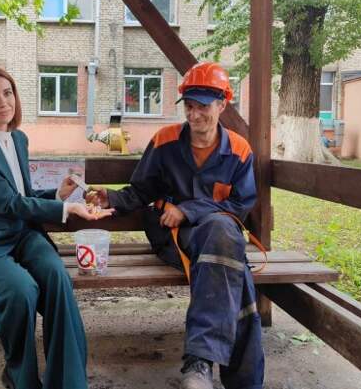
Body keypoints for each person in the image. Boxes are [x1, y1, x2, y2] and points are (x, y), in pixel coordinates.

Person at [87, 62, 264, 389]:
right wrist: (111, 198)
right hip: (172, 239)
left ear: (222, 104)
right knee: (231, 264)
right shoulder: (165, 141)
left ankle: (200, 364)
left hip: (218, 240)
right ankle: (239, 381)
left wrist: (188, 210)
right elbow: (141, 191)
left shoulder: (239, 150)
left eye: (203, 107)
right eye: (189, 106)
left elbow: (240, 205)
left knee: (223, 245)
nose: (194, 115)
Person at [0, 66, 113, 389]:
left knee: (57, 277)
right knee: (21, 290)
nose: (2, 102)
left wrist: (58, 195)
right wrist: (67, 208)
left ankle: (67, 382)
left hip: (22, 234)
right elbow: (7, 202)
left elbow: (23, 195)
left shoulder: (18, 138)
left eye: (7, 93)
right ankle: (19, 376)